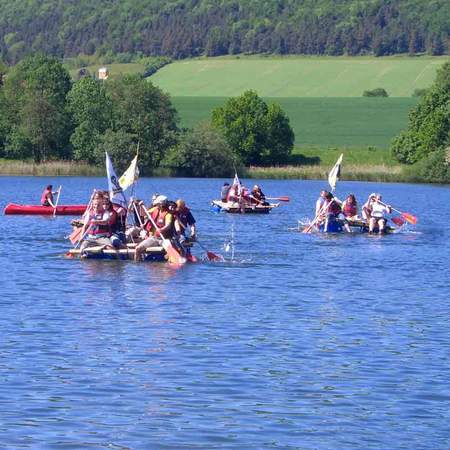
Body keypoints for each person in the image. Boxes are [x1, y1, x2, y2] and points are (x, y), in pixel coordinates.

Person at [134, 195, 175, 261]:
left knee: (169, 251)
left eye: (158, 204)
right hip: (154, 238)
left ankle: (169, 266)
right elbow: (143, 214)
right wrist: (141, 206)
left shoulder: (168, 214)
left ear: (162, 204)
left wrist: (162, 229)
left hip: (164, 239)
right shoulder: (155, 209)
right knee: (137, 249)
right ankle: (138, 266)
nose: (156, 205)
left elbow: (168, 225)